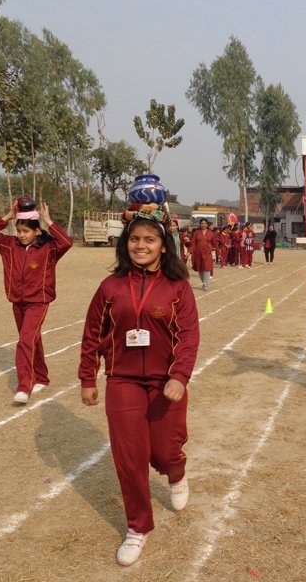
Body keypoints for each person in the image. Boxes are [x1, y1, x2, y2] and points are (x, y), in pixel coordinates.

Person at [78, 205, 199, 567]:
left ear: (163, 245)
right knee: (129, 458)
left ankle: (176, 473)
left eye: (149, 240)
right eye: (134, 239)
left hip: (165, 382)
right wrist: (88, 377)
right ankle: (138, 527)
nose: (141, 246)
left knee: (164, 451)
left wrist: (179, 376)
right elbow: (92, 334)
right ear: (125, 243)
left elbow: (189, 336)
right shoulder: (110, 287)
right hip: (122, 380)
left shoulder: (177, 287)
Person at [0, 197, 72, 404]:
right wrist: (7, 217)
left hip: (38, 302)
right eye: (19, 231)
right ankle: (42, 377)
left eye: (26, 231)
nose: (21, 235)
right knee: (32, 339)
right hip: (17, 302)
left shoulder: (49, 248)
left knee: (25, 341)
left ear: (37, 231)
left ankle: (24, 386)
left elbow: (66, 242)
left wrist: (48, 221)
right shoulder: (8, 245)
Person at [188, 218, 216, 291]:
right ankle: (204, 282)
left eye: (205, 224)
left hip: (207, 253)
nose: (203, 225)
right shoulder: (196, 233)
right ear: (200, 225)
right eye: (202, 223)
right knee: (200, 269)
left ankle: (206, 285)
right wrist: (190, 252)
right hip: (198, 253)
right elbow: (193, 243)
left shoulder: (211, 233)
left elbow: (215, 243)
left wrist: (217, 252)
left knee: (207, 268)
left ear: (207, 225)